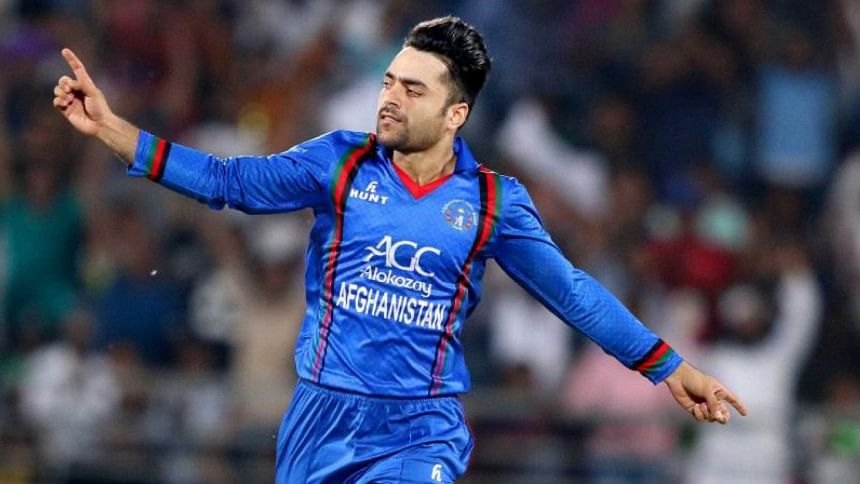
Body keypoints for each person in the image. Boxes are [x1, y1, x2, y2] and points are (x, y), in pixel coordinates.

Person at [53, 16, 747, 484]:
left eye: (412, 90)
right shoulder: (338, 163)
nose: (389, 98)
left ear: (455, 114)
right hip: (321, 418)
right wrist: (113, 130)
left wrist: (666, 365)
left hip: (421, 428)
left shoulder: (494, 203)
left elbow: (569, 291)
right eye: (388, 81)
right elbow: (228, 182)